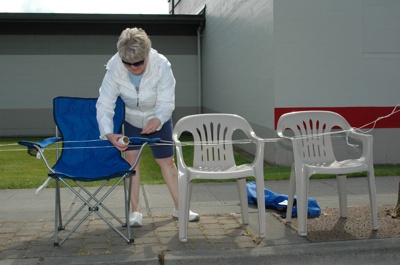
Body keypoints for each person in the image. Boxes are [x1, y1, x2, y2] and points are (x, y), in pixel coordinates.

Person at [96, 27, 199, 226]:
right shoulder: (113, 68)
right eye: (128, 64)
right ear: (121, 58)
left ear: (147, 54)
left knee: (167, 162)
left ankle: (181, 208)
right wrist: (108, 133)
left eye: (139, 63)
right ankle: (135, 211)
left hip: (158, 118)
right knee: (131, 163)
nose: (134, 67)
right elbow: (105, 103)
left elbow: (167, 102)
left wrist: (158, 119)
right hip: (131, 120)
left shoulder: (162, 65)